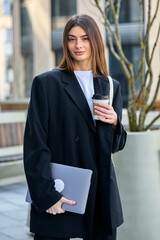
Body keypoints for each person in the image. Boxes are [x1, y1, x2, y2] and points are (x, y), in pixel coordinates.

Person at [23, 14, 127, 240]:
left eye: (85, 38)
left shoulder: (111, 85)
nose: (78, 45)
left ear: (95, 41)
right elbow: (35, 145)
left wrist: (115, 123)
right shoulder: (46, 83)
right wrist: (46, 195)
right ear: (65, 43)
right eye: (71, 39)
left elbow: (116, 145)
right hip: (61, 189)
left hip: (100, 194)